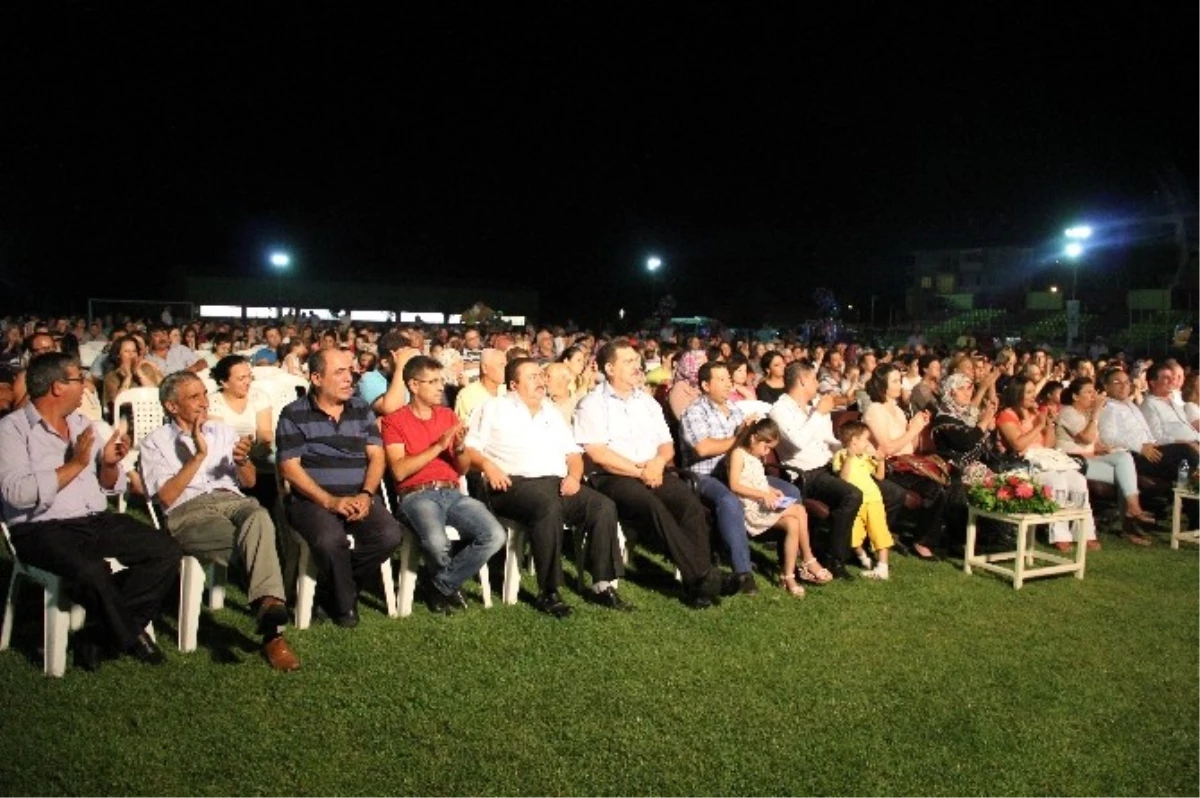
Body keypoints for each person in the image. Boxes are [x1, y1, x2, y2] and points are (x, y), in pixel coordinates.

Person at [0, 352, 181, 670]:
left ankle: (97, 636)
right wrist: (76, 464)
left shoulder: (85, 425)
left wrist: (109, 464)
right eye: (78, 379)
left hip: (95, 520)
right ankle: (132, 636)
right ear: (57, 386)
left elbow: (111, 485)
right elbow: (17, 493)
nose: (86, 385)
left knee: (165, 550)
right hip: (41, 528)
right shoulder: (11, 430)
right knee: (91, 572)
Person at [139, 372, 299, 670]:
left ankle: (268, 607)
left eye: (204, 394)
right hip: (189, 512)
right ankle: (273, 632)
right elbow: (167, 498)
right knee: (258, 542)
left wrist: (242, 461)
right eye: (194, 397)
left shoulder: (221, 432)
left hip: (232, 500)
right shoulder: (155, 443)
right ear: (172, 406)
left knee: (258, 515)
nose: (204, 402)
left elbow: (249, 483)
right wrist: (198, 456)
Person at [466, 358, 629, 615]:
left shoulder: (551, 412)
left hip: (556, 481)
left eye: (541, 376)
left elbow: (573, 454)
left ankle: (602, 584)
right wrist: (488, 465)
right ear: (513, 384)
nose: (541, 381)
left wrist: (574, 476)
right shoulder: (493, 408)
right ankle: (549, 590)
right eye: (532, 377)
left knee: (602, 505)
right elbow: (470, 448)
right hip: (511, 483)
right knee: (547, 506)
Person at [574, 339, 725, 608]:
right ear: (609, 368)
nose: (637, 365)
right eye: (628, 361)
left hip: (652, 469)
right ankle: (702, 577)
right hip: (613, 477)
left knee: (689, 504)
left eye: (637, 360)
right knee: (653, 506)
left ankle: (699, 585)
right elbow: (598, 454)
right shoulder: (592, 404)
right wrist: (639, 471)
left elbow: (666, 445)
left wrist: (656, 464)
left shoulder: (647, 402)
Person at [277, 348, 404, 627]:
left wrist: (366, 494)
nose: (350, 378)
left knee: (389, 535)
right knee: (329, 539)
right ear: (316, 378)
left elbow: (377, 456)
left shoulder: (361, 410)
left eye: (350, 371)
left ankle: (330, 591)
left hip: (358, 495)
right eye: (340, 372)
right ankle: (345, 605)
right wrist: (329, 501)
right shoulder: (294, 414)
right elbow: (289, 467)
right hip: (311, 500)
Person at [382, 355, 506, 615]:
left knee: (495, 535)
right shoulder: (394, 421)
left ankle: (439, 584)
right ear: (414, 385)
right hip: (416, 495)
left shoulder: (447, 415)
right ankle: (446, 586)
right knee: (438, 543)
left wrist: (459, 447)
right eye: (434, 381)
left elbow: (461, 468)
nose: (441, 387)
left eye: (442, 380)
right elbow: (400, 470)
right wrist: (439, 446)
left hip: (452, 492)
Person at [680, 360, 807, 594]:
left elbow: (746, 447)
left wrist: (754, 435)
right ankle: (743, 571)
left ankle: (786, 560)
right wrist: (741, 437)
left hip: (739, 470)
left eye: (729, 378)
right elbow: (703, 448)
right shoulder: (694, 411)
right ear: (706, 385)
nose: (729, 383)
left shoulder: (734, 408)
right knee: (729, 500)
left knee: (792, 491)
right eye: (722, 379)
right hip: (706, 474)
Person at [996, 375, 1099, 551]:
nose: (1032, 396)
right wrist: (1039, 425)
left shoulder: (1035, 413)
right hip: (1022, 464)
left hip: (1044, 460)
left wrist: (1049, 425)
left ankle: (1085, 532)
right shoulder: (1007, 415)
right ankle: (1059, 534)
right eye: (1028, 392)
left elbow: (1049, 445)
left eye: (1032, 392)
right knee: (1056, 482)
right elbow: (1017, 444)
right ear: (1017, 393)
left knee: (1078, 481)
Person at [726, 418, 826, 596]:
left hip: (763, 501)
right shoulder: (738, 454)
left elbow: (757, 481)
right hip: (751, 508)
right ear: (754, 439)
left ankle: (787, 575)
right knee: (799, 510)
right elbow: (735, 485)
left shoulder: (756, 457)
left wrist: (771, 490)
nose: (767, 453)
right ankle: (808, 559)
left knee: (793, 524)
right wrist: (763, 494)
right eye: (766, 447)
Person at [862, 364, 947, 559]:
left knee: (941, 484)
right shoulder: (875, 410)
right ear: (882, 385)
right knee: (934, 489)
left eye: (899, 381)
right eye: (895, 381)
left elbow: (909, 445)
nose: (900, 385)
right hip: (888, 465)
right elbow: (887, 448)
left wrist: (919, 425)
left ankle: (924, 538)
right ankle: (921, 541)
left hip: (905, 463)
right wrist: (913, 430)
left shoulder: (899, 411)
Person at [1057, 377, 1153, 546]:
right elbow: (1086, 438)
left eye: (1094, 391)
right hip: (1072, 461)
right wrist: (1095, 415)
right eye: (1088, 392)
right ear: (1075, 396)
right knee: (1126, 478)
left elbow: (1096, 443)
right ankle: (1130, 521)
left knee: (1124, 457)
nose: (1093, 395)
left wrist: (1105, 447)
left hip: (1091, 457)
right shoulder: (1067, 412)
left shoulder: (1086, 415)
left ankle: (1132, 508)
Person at [1099, 367, 1200, 482]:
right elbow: (1107, 436)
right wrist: (1140, 447)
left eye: (1126, 382)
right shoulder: (1107, 407)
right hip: (1134, 455)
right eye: (1117, 382)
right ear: (1106, 386)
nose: (1123, 386)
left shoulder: (1130, 405)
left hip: (1151, 449)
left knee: (1184, 463)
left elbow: (1148, 433)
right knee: (1185, 451)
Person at [832, 421, 893, 580]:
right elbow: (843, 479)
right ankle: (864, 559)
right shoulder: (841, 456)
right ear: (854, 441)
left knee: (879, 531)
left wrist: (881, 461)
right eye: (866, 439)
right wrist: (849, 459)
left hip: (873, 499)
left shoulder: (865, 457)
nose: (868, 443)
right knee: (852, 535)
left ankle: (882, 566)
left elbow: (880, 476)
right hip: (856, 503)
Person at [207, 355, 273, 447]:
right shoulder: (212, 402)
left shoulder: (258, 396)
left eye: (249, 376)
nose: (248, 382)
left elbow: (265, 432)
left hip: (257, 452)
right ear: (224, 383)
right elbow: (219, 439)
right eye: (241, 378)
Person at [356, 330, 422, 418]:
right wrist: (400, 366)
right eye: (403, 356)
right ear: (385, 362)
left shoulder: (412, 380)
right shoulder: (368, 379)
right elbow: (391, 409)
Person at [101, 333, 163, 409]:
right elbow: (116, 405)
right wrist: (128, 377)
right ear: (118, 354)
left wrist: (139, 373)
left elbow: (156, 396)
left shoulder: (146, 369)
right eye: (126, 351)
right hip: (123, 416)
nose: (131, 355)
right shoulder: (111, 377)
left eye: (134, 351)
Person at [454, 347, 507, 425]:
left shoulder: (508, 391)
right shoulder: (467, 395)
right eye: (501, 365)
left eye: (506, 365)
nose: (505, 370)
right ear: (485, 368)